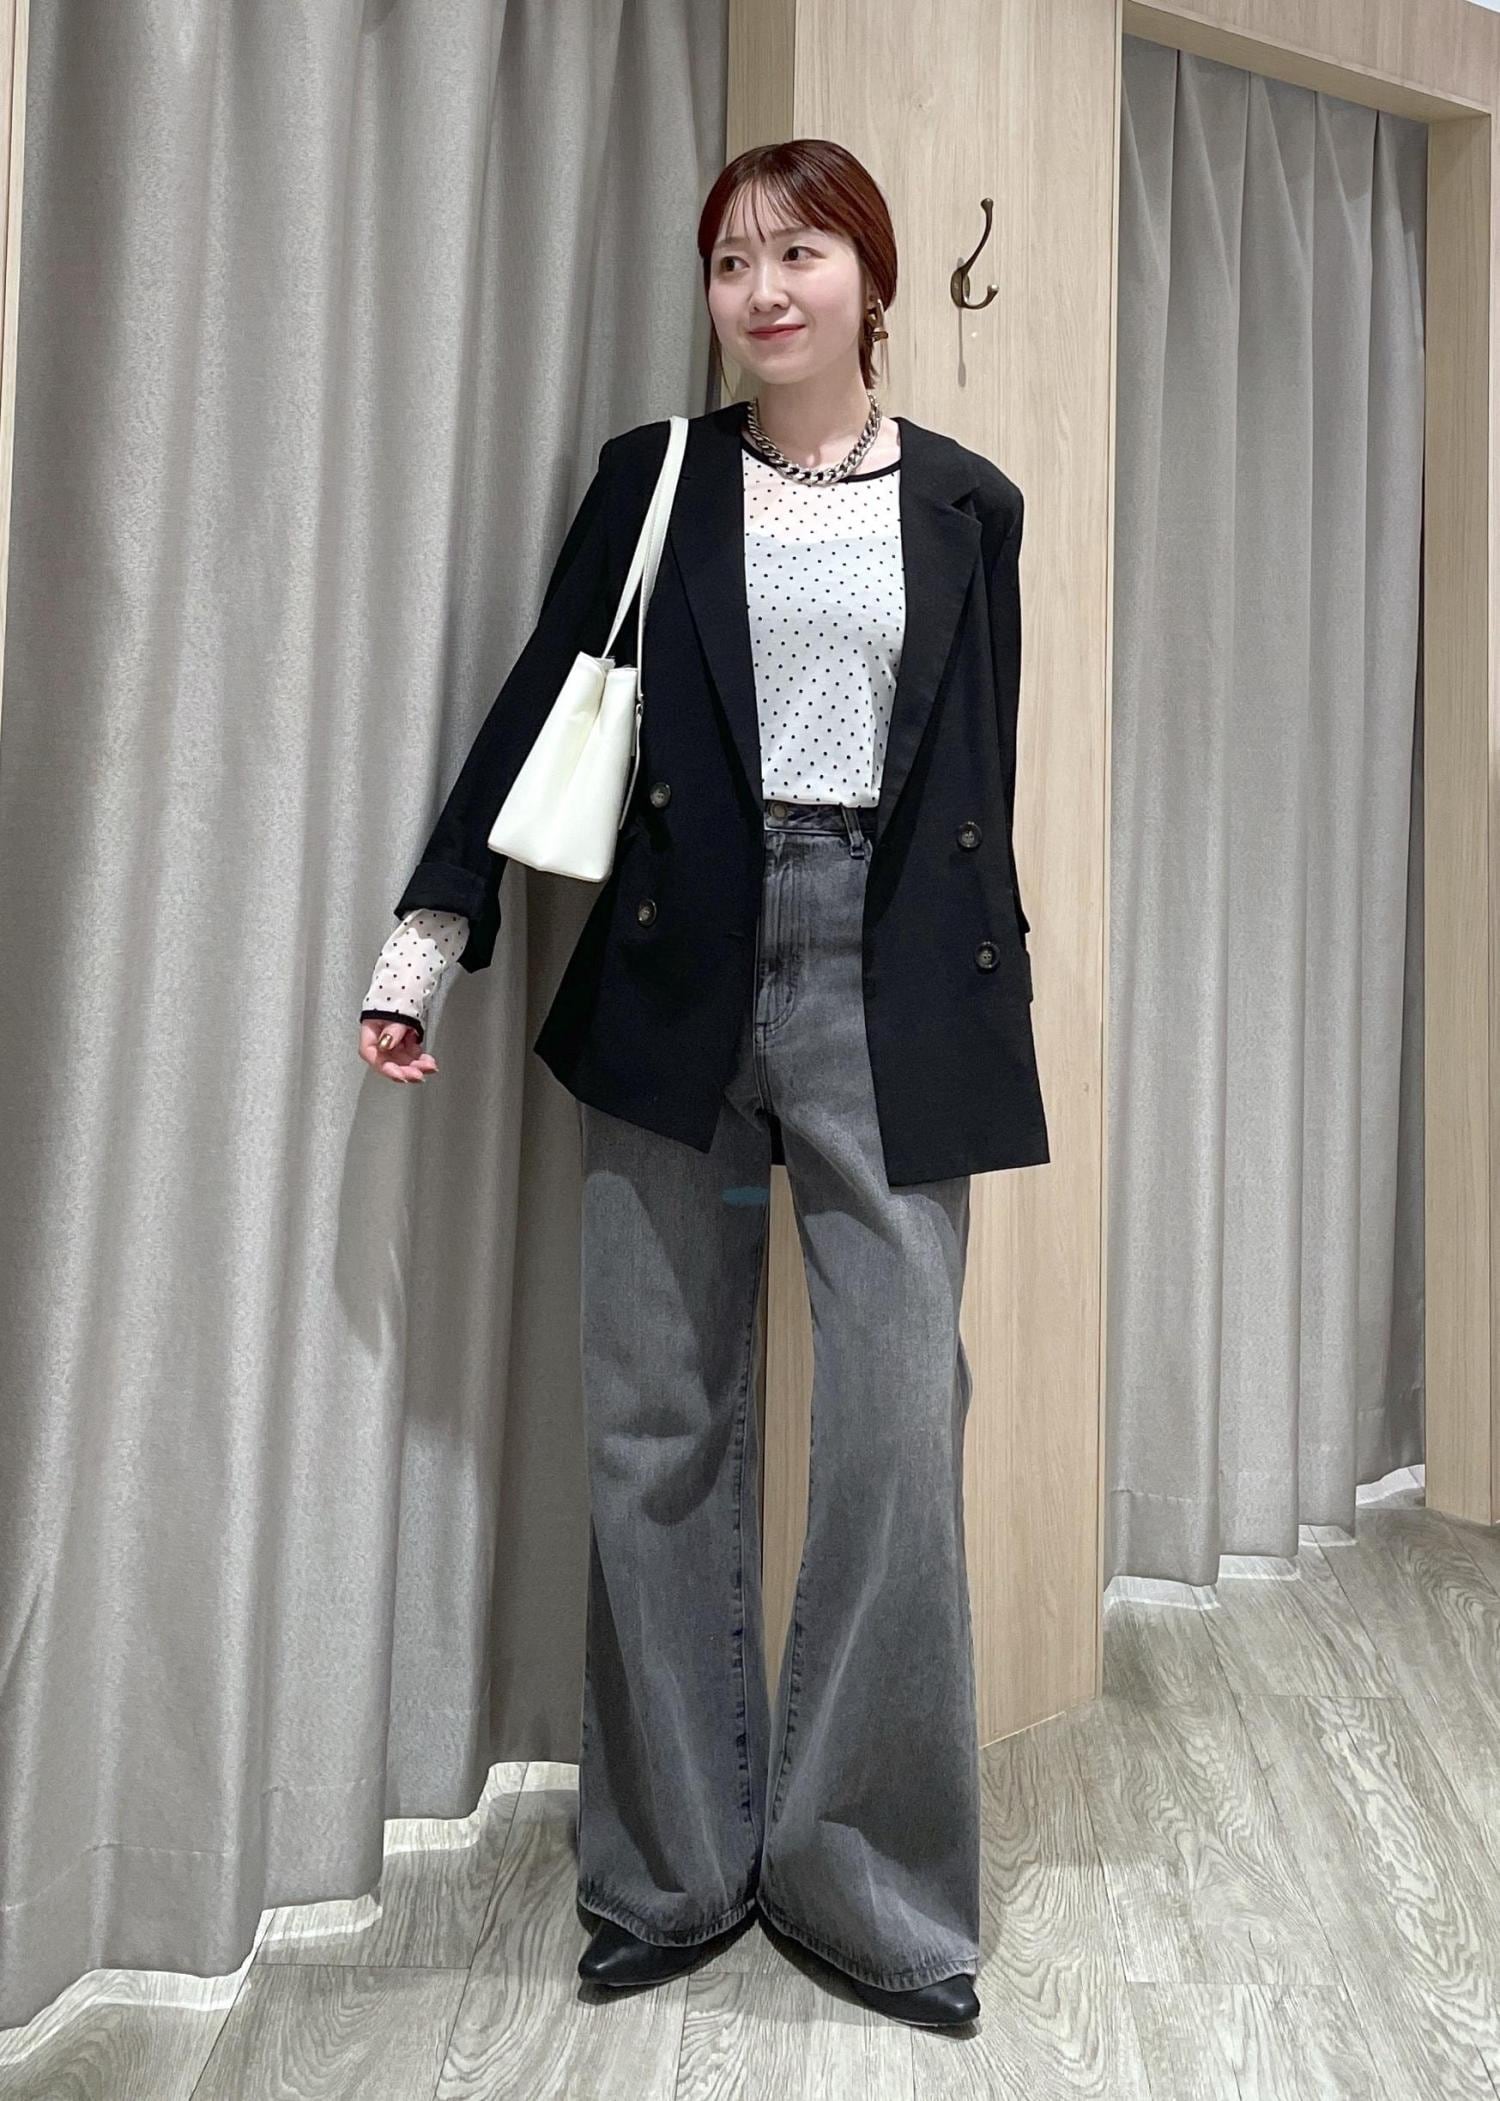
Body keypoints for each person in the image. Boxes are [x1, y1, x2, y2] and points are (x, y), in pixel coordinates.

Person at [358, 138, 1049, 2031]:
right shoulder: (656, 476)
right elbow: (544, 691)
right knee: (657, 1422)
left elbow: (978, 783)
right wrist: (431, 929)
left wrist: (988, 997)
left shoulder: (969, 504)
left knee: (895, 1427)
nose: (762, 289)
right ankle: (667, 1867)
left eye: (799, 253)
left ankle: (871, 1884)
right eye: (733, 259)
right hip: (677, 973)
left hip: (885, 988)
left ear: (870, 279)